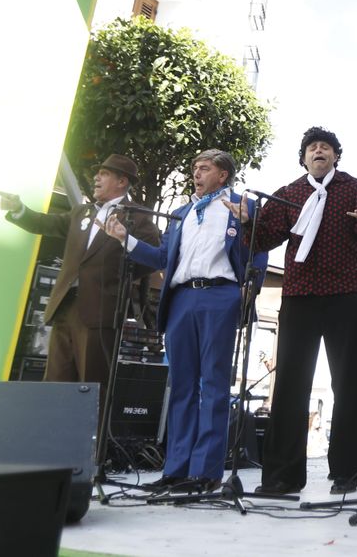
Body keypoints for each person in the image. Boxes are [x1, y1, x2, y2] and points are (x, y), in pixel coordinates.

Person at [233, 127, 357, 496]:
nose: (319, 151)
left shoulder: (355, 188)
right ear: (303, 158)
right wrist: (247, 221)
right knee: (288, 385)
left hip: (346, 294)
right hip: (299, 295)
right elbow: (264, 240)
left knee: (348, 384)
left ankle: (349, 472)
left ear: (335, 157)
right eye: (313, 147)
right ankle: (281, 477)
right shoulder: (289, 194)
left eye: (326, 147)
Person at [105, 149, 265, 495]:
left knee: (214, 386)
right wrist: (124, 239)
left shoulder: (244, 206)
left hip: (220, 295)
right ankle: (175, 469)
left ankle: (205, 471)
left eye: (204, 168)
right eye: (194, 167)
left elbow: (260, 249)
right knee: (180, 386)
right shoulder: (181, 213)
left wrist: (250, 288)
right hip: (181, 298)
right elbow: (162, 256)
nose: (196, 173)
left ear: (223, 175)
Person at [0, 154, 160, 392]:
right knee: (55, 380)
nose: (96, 177)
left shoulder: (138, 217)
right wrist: (19, 209)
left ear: (122, 181)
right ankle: (53, 428)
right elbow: (45, 224)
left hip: (101, 309)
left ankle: (90, 430)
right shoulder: (81, 212)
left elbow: (151, 257)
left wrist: (117, 281)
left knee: (91, 383)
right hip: (65, 304)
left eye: (104, 173)